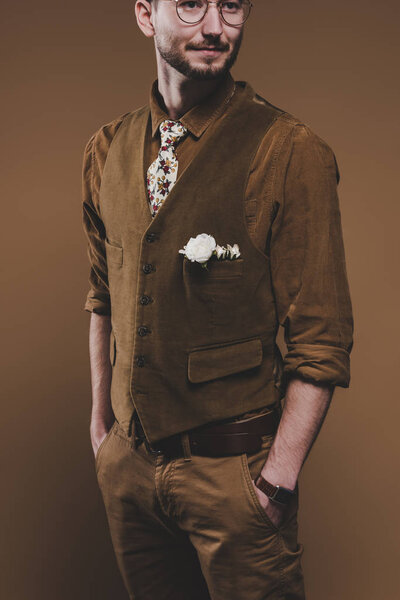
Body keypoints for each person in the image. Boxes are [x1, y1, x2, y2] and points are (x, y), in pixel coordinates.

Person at [81, 1, 354, 598]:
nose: (214, 26)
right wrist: (103, 431)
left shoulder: (289, 150)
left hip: (234, 478)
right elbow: (102, 296)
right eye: (191, 5)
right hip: (129, 472)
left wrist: (276, 481)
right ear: (146, 15)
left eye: (231, 6)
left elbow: (321, 339)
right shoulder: (107, 148)